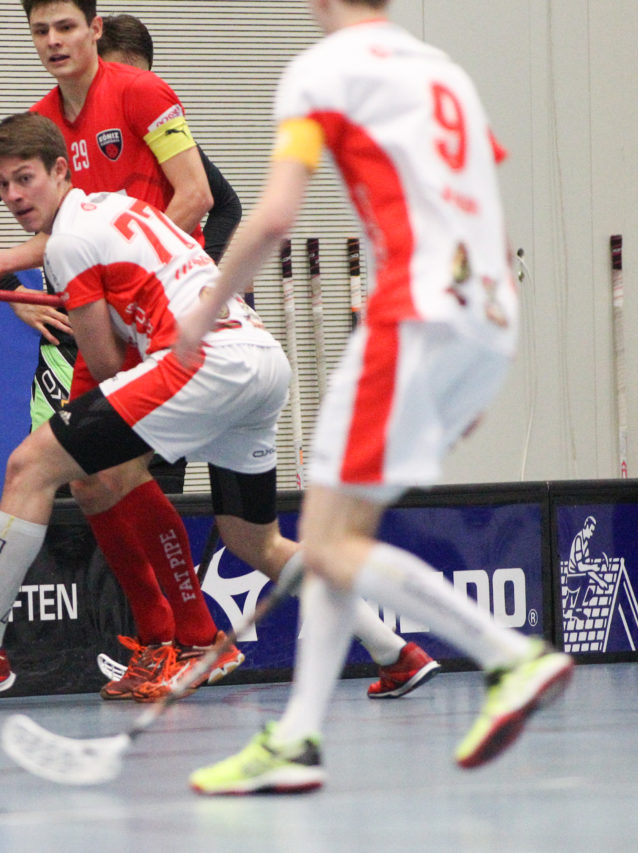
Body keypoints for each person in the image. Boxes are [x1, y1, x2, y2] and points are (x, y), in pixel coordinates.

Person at [0, 1, 439, 704]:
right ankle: (391, 650)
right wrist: (11, 274)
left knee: (65, 467)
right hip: (157, 319)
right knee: (237, 532)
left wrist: (127, 288)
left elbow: (197, 197)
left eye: (64, 26)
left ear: (93, 29)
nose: (52, 42)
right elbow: (70, 228)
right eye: (39, 30)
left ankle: (175, 639)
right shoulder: (41, 124)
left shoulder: (141, 91)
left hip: (159, 325)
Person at [179, 0, 574, 796]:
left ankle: (511, 654)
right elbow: (488, 217)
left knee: (325, 541)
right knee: (334, 534)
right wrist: (478, 361)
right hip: (484, 319)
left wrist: (206, 309)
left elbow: (275, 216)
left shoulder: (321, 71)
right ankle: (295, 737)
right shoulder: (444, 71)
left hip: (413, 316)